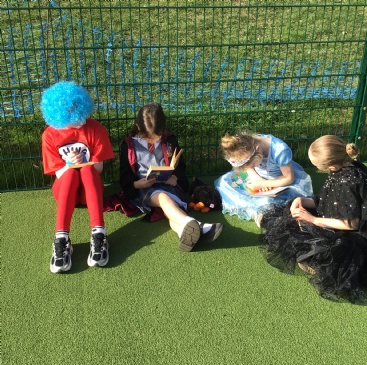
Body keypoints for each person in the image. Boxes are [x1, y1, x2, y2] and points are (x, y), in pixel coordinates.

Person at [259, 135, 367, 303]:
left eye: (316, 165)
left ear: (330, 165)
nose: (315, 167)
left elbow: (352, 223)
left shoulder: (347, 182)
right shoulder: (346, 166)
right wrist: (302, 200)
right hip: (345, 215)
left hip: (363, 231)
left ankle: (314, 261)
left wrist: (314, 220)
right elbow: (327, 199)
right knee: (294, 215)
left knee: (333, 247)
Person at [119, 103, 223, 251]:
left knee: (172, 211)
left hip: (168, 185)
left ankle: (184, 234)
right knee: (163, 198)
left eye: (156, 137)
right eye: (148, 138)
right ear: (138, 127)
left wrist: (175, 177)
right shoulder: (129, 145)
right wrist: (136, 184)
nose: (153, 141)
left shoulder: (169, 140)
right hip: (143, 189)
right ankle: (198, 225)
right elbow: (124, 175)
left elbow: (179, 164)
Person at [41, 81, 115, 273]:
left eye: (77, 110)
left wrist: (82, 162)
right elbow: (58, 173)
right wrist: (69, 164)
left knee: (87, 170)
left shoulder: (96, 128)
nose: (78, 118)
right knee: (70, 175)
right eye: (70, 114)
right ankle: (61, 239)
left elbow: (98, 168)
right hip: (66, 193)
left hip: (91, 192)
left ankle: (99, 235)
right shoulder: (50, 135)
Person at [214, 132, 313, 224]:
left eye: (253, 165)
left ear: (257, 149)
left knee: (267, 201)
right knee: (224, 182)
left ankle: (256, 212)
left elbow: (288, 178)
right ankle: (255, 209)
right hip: (257, 178)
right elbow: (248, 168)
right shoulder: (246, 143)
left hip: (280, 182)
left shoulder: (279, 150)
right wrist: (258, 180)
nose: (252, 166)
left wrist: (263, 184)